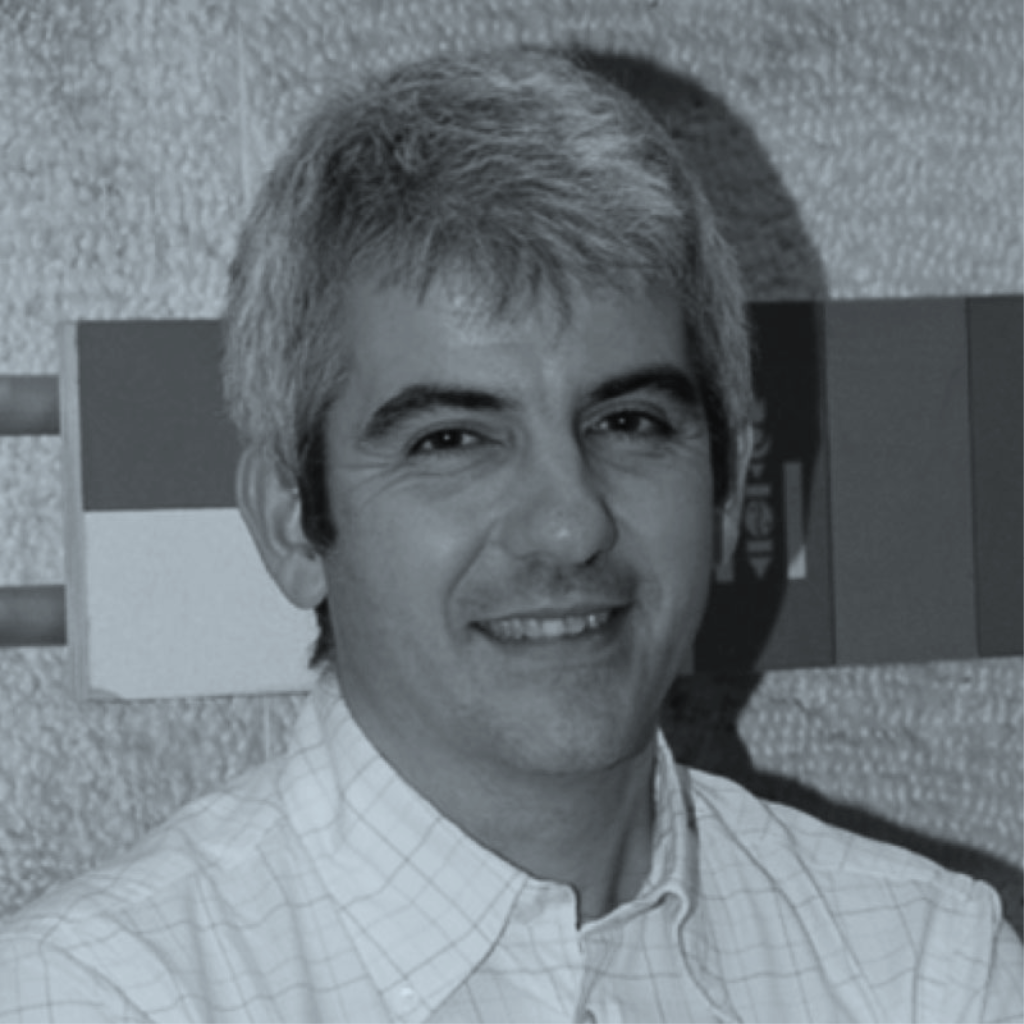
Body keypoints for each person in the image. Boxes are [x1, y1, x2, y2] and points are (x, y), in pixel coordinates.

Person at [0, 48, 1020, 1023]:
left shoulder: (922, 964)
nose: (570, 523)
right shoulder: (92, 999)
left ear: (726, 486)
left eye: (629, 422)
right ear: (293, 524)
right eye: (452, 440)